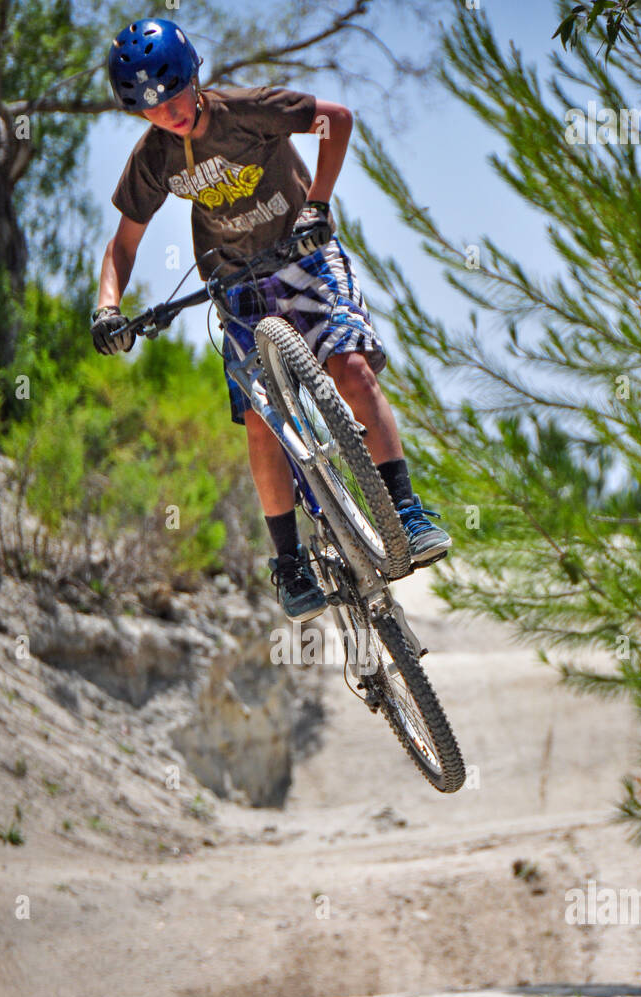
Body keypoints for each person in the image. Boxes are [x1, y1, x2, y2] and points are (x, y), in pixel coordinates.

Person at [91, 16, 451, 621]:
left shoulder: (248, 110)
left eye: (174, 94)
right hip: (235, 283)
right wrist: (107, 307)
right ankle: (289, 563)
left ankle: (405, 511)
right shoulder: (153, 157)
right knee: (260, 420)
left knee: (352, 368)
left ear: (193, 77)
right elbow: (122, 245)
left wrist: (319, 204)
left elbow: (335, 119)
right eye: (150, 109)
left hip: (304, 253)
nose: (169, 114)